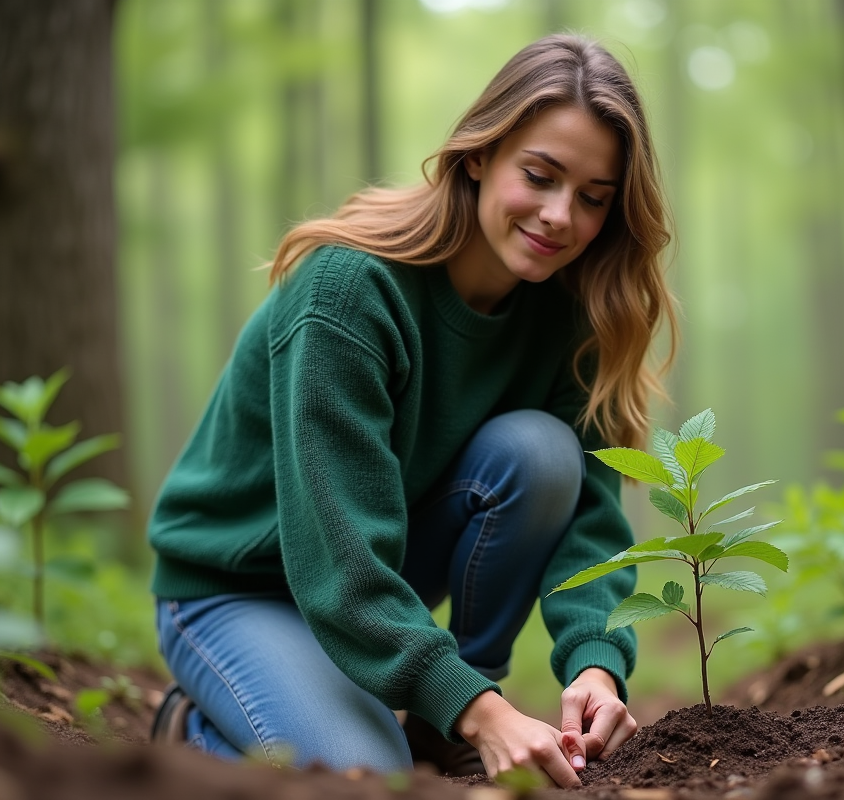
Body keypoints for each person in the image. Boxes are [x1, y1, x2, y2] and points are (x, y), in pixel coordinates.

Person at [147, 33, 676, 789]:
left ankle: (441, 714)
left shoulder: (569, 317)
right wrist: (487, 715)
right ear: (479, 156)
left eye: (593, 198)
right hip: (240, 587)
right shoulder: (350, 291)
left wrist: (596, 663)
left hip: (375, 570)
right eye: (539, 176)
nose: (560, 215)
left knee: (542, 452)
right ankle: (193, 725)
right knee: (369, 776)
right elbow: (339, 560)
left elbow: (589, 517)